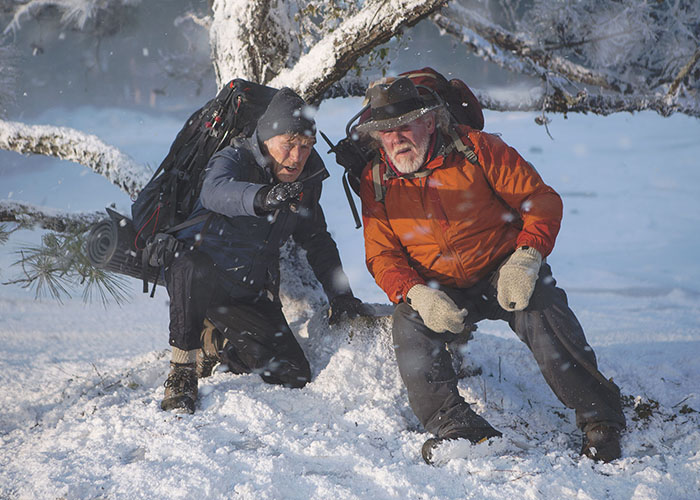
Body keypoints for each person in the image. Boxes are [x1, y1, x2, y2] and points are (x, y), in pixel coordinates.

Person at [354, 76, 626, 464]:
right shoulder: (377, 180)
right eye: (385, 132)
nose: (396, 139)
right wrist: (416, 293)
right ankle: (457, 428)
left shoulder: (477, 150)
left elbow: (540, 199)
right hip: (437, 286)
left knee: (542, 305)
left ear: (429, 122)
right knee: (408, 322)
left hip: (503, 267)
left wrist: (527, 257)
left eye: (404, 127)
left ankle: (601, 418)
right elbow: (382, 255)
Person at [160, 87, 370, 414]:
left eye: (306, 146)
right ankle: (182, 369)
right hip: (203, 281)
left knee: (292, 373)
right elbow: (215, 191)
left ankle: (215, 345)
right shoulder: (235, 158)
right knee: (188, 264)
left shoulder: (306, 179)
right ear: (268, 140)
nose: (297, 157)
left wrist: (340, 294)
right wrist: (261, 198)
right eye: (289, 145)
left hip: (249, 291)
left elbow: (317, 239)